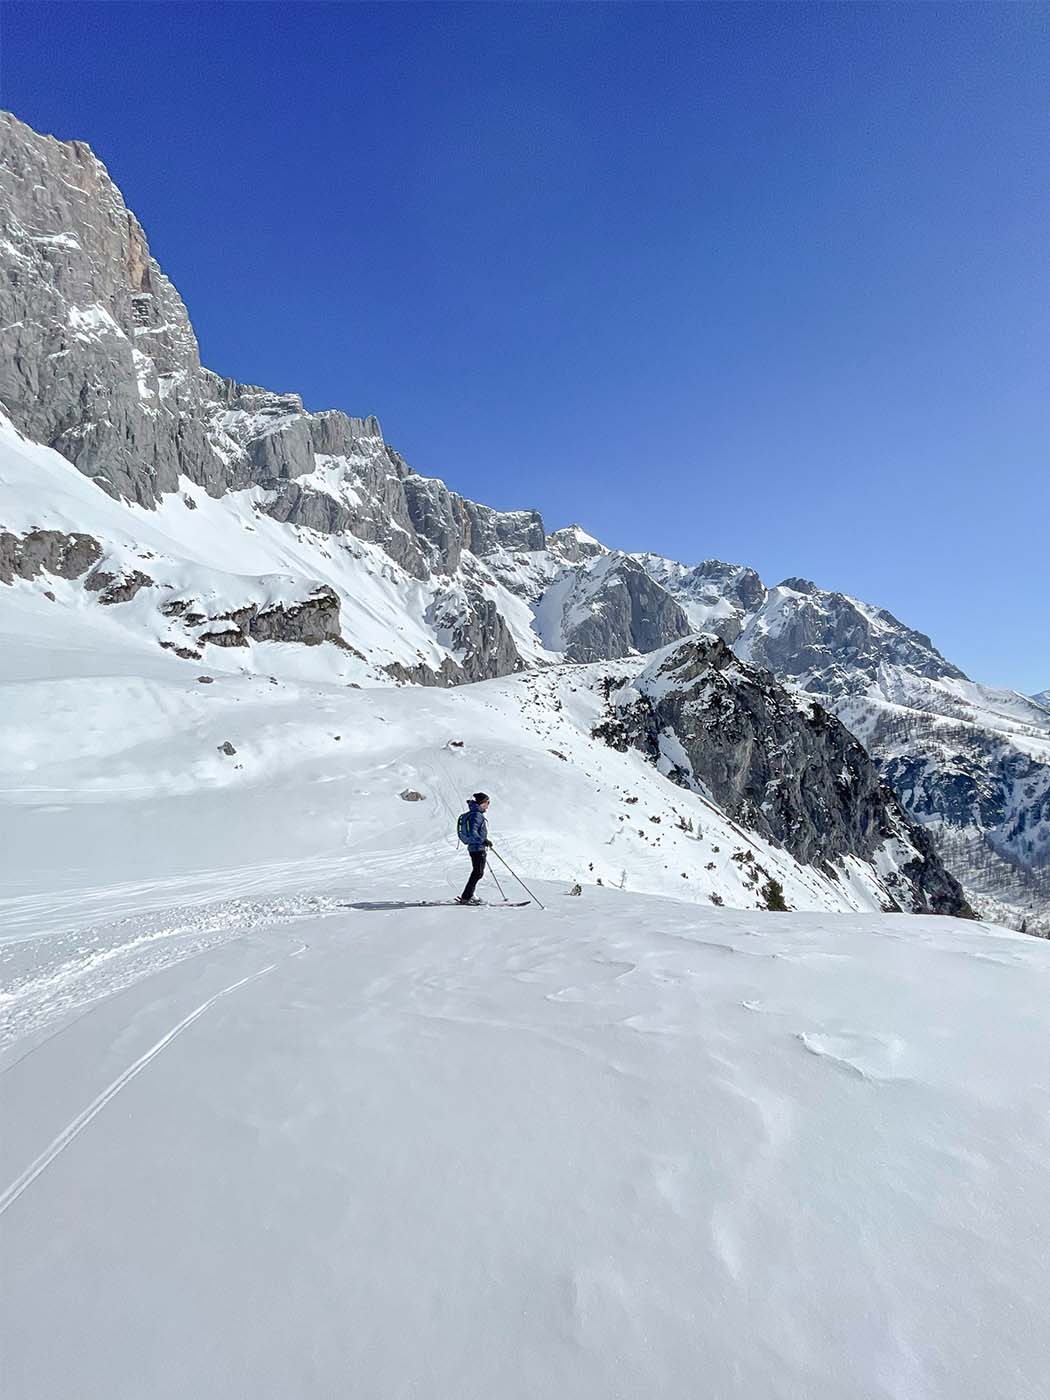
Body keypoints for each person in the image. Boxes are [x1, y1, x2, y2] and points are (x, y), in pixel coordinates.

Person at [457, 792, 492, 905]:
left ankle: (468, 895)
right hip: (477, 847)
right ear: (481, 803)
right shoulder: (476, 815)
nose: (488, 805)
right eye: (487, 802)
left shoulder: (474, 814)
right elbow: (473, 832)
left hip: (475, 847)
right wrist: (483, 840)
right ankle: (467, 896)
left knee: (477, 872)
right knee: (477, 873)